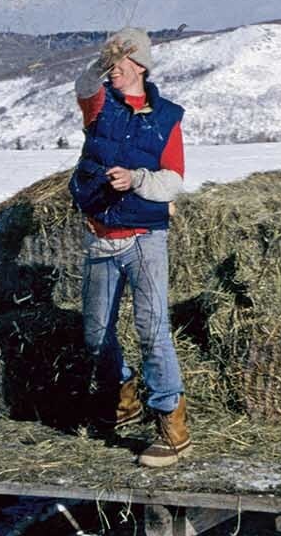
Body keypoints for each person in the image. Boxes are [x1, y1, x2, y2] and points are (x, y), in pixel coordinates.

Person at [67, 27, 190, 468]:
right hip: (101, 238)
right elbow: (83, 86)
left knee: (152, 330)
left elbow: (173, 180)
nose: (111, 73)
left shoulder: (167, 117)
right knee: (96, 335)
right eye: (109, 66)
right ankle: (124, 399)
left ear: (139, 66)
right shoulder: (100, 105)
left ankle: (172, 427)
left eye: (118, 66)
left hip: (143, 240)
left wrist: (136, 179)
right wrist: (102, 60)